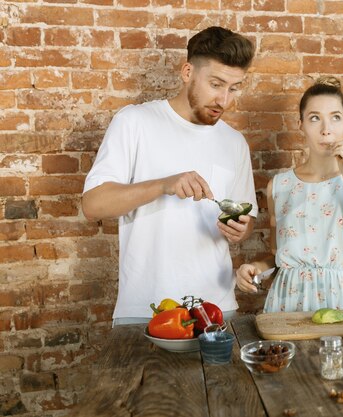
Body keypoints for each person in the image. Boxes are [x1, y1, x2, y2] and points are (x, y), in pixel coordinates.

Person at [82, 26, 257, 325]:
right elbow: (93, 205)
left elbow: (246, 219)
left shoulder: (235, 142)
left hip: (217, 309)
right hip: (145, 309)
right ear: (188, 72)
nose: (224, 100)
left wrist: (242, 230)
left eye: (234, 88)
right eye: (216, 84)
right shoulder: (134, 122)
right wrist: (164, 184)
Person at [235, 76, 343, 312]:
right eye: (315, 118)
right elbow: (280, 256)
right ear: (301, 124)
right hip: (289, 304)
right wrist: (255, 267)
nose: (326, 130)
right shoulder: (280, 186)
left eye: (335, 117)